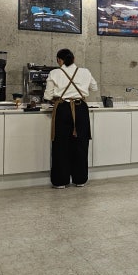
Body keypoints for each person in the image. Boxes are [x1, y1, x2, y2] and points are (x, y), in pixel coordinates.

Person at [44, 49, 98, 189]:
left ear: (59, 60)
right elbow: (94, 87)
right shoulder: (85, 72)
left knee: (60, 144)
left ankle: (60, 181)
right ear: (73, 59)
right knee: (81, 144)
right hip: (80, 109)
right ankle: (80, 179)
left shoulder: (54, 73)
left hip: (62, 109)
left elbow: (48, 96)